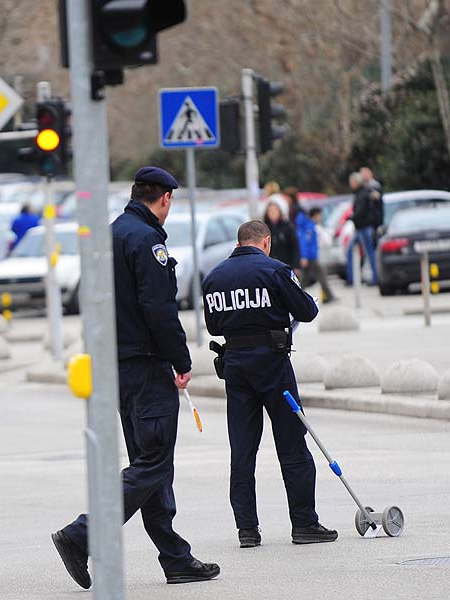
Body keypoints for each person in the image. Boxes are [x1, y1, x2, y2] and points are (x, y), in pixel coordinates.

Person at [52, 167, 220, 589]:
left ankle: (175, 558)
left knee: (150, 466)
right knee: (153, 463)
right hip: (146, 367)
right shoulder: (146, 241)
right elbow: (159, 308)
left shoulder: (109, 235)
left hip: (119, 368)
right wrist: (180, 358)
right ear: (165, 198)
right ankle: (82, 534)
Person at [202, 220, 337, 548]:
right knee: (292, 444)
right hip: (273, 365)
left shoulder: (214, 277)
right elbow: (307, 311)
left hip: (236, 366)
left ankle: (247, 530)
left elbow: (213, 325)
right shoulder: (275, 270)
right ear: (266, 242)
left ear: (238, 243)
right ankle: (304, 524)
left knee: (242, 449)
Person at [346, 172, 378, 286]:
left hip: (364, 227)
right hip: (360, 228)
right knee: (350, 251)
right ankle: (351, 278)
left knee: (370, 254)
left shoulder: (362, 193)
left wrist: (351, 217)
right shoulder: (360, 193)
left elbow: (361, 211)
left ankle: (375, 278)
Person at [299, 207, 336, 302]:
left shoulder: (311, 225)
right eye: (320, 215)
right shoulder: (309, 227)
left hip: (312, 256)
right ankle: (328, 296)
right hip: (310, 257)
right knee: (320, 275)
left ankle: (298, 295)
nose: (320, 217)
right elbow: (305, 242)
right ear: (315, 215)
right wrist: (304, 256)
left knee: (305, 279)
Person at [263, 201, 300, 271]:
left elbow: (295, 246)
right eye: (270, 210)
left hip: (286, 264)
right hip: (270, 266)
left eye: (275, 210)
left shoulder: (288, 227)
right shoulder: (264, 228)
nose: (273, 213)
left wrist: (296, 265)